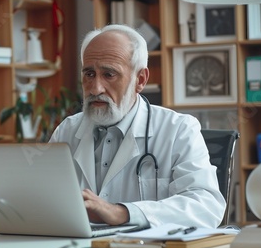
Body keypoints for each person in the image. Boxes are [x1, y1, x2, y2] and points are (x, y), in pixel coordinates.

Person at [49, 24, 226, 229]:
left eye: (109, 74)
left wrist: (122, 213)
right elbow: (42, 197)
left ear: (140, 80)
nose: (96, 88)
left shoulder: (178, 129)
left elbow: (205, 206)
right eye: (89, 74)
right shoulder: (67, 131)